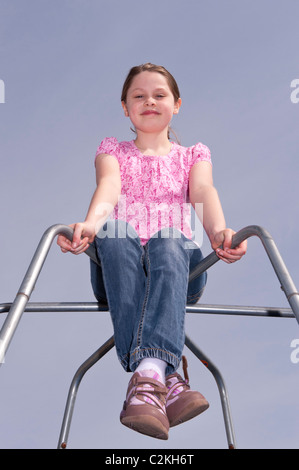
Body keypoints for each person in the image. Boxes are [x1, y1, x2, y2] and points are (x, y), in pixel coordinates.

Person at [57, 63, 247, 440]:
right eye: (138, 96)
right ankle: (165, 376)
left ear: (176, 104)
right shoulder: (113, 150)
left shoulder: (192, 155)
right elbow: (110, 186)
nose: (149, 101)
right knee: (114, 230)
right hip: (120, 270)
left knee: (169, 237)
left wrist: (219, 231)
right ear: (125, 108)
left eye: (159, 95)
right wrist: (91, 225)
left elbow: (202, 193)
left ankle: (148, 378)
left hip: (177, 271)